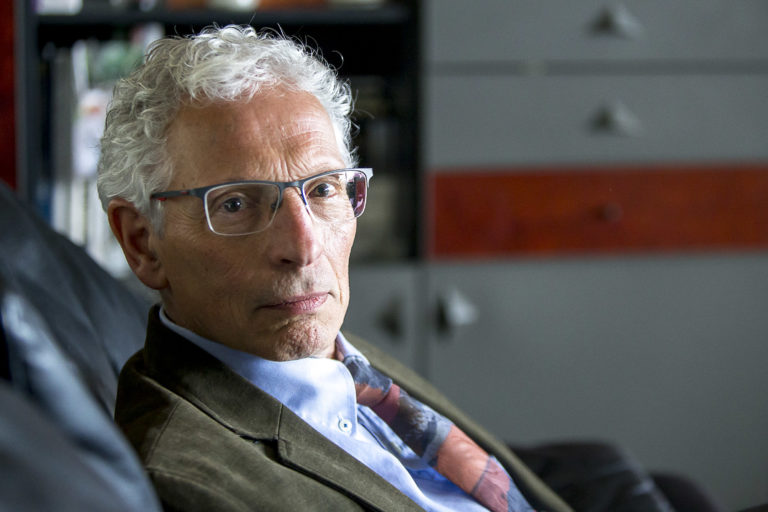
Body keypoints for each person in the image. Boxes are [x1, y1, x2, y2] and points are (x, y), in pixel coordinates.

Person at [98, 25, 671, 512]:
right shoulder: (187, 483)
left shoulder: (332, 354)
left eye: (324, 189)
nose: (304, 246)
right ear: (143, 242)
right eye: (235, 204)